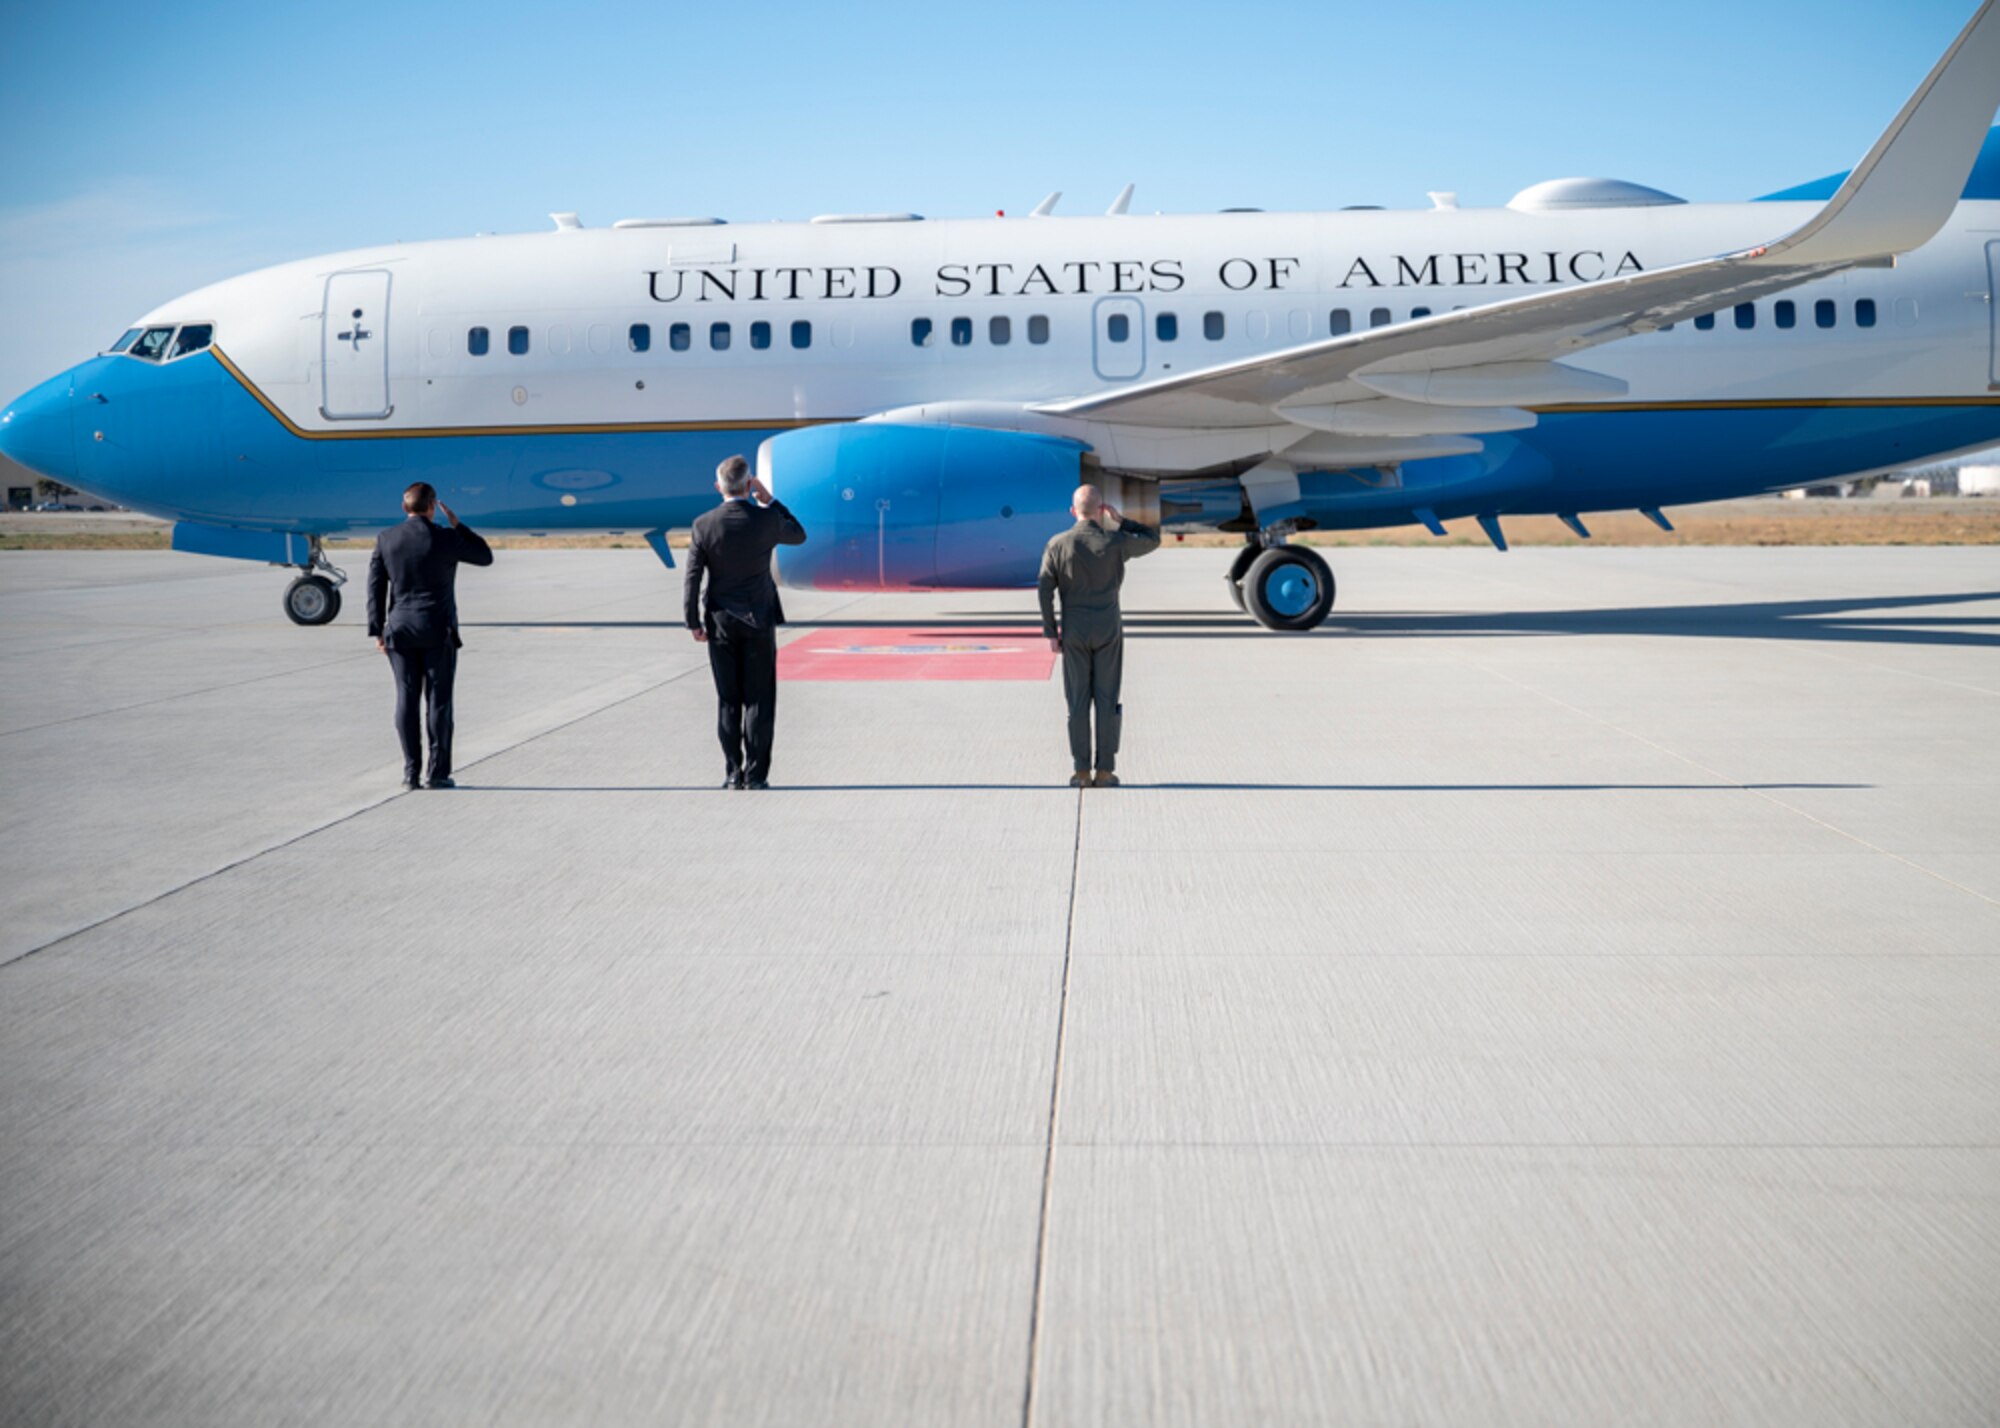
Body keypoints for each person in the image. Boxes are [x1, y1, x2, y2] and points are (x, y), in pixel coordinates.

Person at [684, 454, 808, 789]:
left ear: (717, 486)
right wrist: (770, 501)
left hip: (720, 622)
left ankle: (731, 773)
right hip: (758, 620)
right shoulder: (766, 520)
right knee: (759, 699)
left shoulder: (703, 524)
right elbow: (799, 535)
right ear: (749, 484)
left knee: (728, 699)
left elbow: (692, 577)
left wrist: (693, 621)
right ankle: (755, 776)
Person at [366, 481, 494, 791]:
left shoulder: (386, 539)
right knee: (438, 704)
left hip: (399, 630)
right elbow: (485, 556)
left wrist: (377, 629)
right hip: (438, 630)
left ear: (404, 507)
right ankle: (437, 774)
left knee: (405, 699)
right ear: (433, 506)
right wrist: (459, 526)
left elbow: (375, 587)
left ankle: (410, 773)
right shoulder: (446, 538)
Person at [1038, 483, 1160, 787]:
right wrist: (1122, 522)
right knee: (1107, 700)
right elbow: (1152, 539)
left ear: (1073, 511)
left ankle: (1081, 771)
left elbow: (1044, 589)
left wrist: (1051, 632)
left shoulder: (1058, 544)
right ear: (1101, 510)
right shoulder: (1115, 541)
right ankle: (1105, 771)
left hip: (1075, 631)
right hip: (1108, 629)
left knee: (1077, 702)